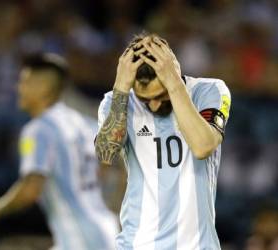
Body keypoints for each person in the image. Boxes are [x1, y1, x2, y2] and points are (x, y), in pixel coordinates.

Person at [95, 33, 231, 249]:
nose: (155, 106)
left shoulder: (208, 91)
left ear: (174, 72)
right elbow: (105, 155)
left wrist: (174, 84)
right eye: (146, 99)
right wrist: (121, 87)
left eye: (161, 95)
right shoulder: (117, 101)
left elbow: (203, 146)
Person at [0, 53, 118, 250]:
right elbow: (107, 165)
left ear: (43, 87)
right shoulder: (82, 123)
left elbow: (31, 189)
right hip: (105, 229)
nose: (18, 88)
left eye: (25, 82)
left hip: (78, 237)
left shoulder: (38, 130)